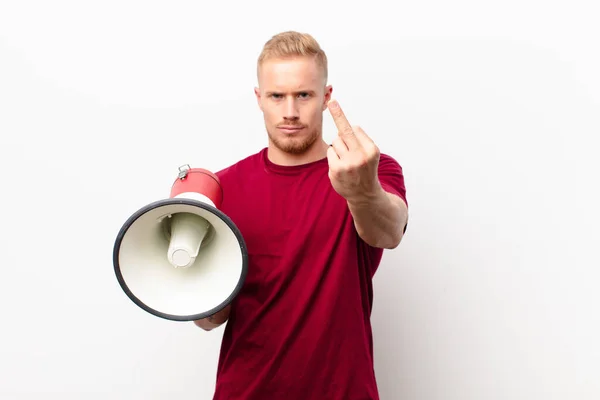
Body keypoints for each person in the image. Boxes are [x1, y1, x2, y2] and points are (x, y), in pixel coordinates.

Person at [193, 31, 409, 400]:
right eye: (277, 96)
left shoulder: (367, 169)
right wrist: (189, 270)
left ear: (326, 97)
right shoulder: (222, 188)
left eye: (303, 95)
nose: (290, 112)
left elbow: (388, 232)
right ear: (259, 99)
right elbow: (210, 320)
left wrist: (361, 190)